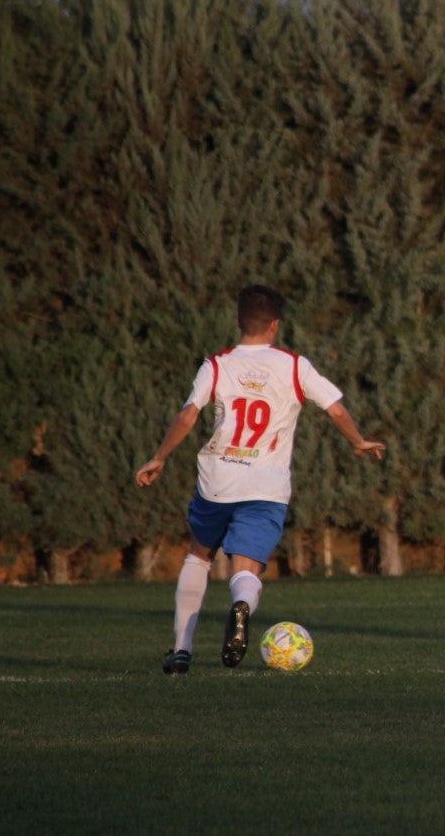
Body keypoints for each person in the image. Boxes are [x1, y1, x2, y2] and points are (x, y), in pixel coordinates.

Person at [136, 285, 385, 674]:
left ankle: (182, 650)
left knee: (198, 555)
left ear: (238, 323)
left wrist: (159, 457)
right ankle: (241, 607)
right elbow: (335, 410)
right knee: (245, 570)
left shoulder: (216, 364)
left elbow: (188, 415)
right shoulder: (294, 365)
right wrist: (357, 441)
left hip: (217, 481)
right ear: (275, 326)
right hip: (265, 486)